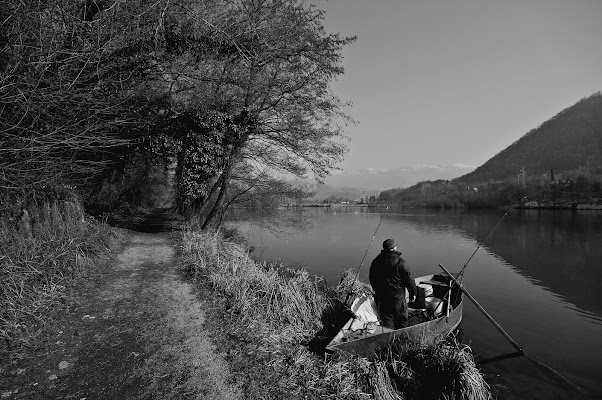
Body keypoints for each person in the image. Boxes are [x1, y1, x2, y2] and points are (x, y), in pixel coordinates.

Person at [369, 239, 417, 329]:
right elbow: (409, 280)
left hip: (383, 296)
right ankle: (400, 336)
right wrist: (413, 293)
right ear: (394, 248)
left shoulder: (376, 261)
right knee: (401, 319)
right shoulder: (401, 262)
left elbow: (372, 278)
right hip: (398, 297)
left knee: (387, 320)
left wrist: (377, 290)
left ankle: (388, 337)